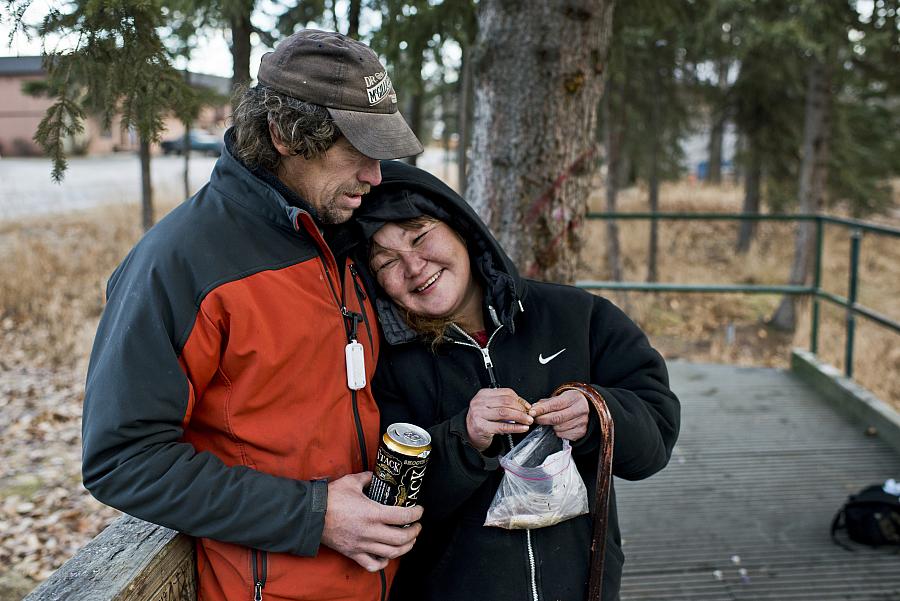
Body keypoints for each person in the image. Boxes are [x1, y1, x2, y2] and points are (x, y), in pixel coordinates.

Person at [81, 30, 426, 601]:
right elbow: (123, 458)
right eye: (356, 151)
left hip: (377, 581)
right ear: (284, 135)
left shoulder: (341, 234)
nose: (375, 175)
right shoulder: (179, 264)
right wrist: (313, 516)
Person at [353, 161, 681, 601]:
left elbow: (656, 437)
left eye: (420, 236)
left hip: (582, 587)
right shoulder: (383, 361)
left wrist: (598, 414)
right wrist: (463, 438)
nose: (414, 266)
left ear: (462, 229)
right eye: (387, 262)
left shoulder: (578, 317)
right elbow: (387, 502)